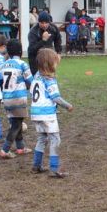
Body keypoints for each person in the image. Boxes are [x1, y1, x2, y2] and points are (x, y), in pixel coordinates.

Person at [30, 48, 73, 178]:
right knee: (55, 139)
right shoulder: (49, 80)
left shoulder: (36, 76)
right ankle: (55, 169)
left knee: (42, 138)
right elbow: (55, 98)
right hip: (47, 113)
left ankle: (36, 166)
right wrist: (68, 106)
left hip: (35, 112)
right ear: (49, 64)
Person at [0, 39, 34, 159]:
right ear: (20, 50)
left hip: (6, 97)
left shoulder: (3, 65)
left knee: (16, 122)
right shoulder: (22, 64)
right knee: (16, 124)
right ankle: (5, 149)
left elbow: (0, 80)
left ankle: (20, 147)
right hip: (18, 98)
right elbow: (30, 81)